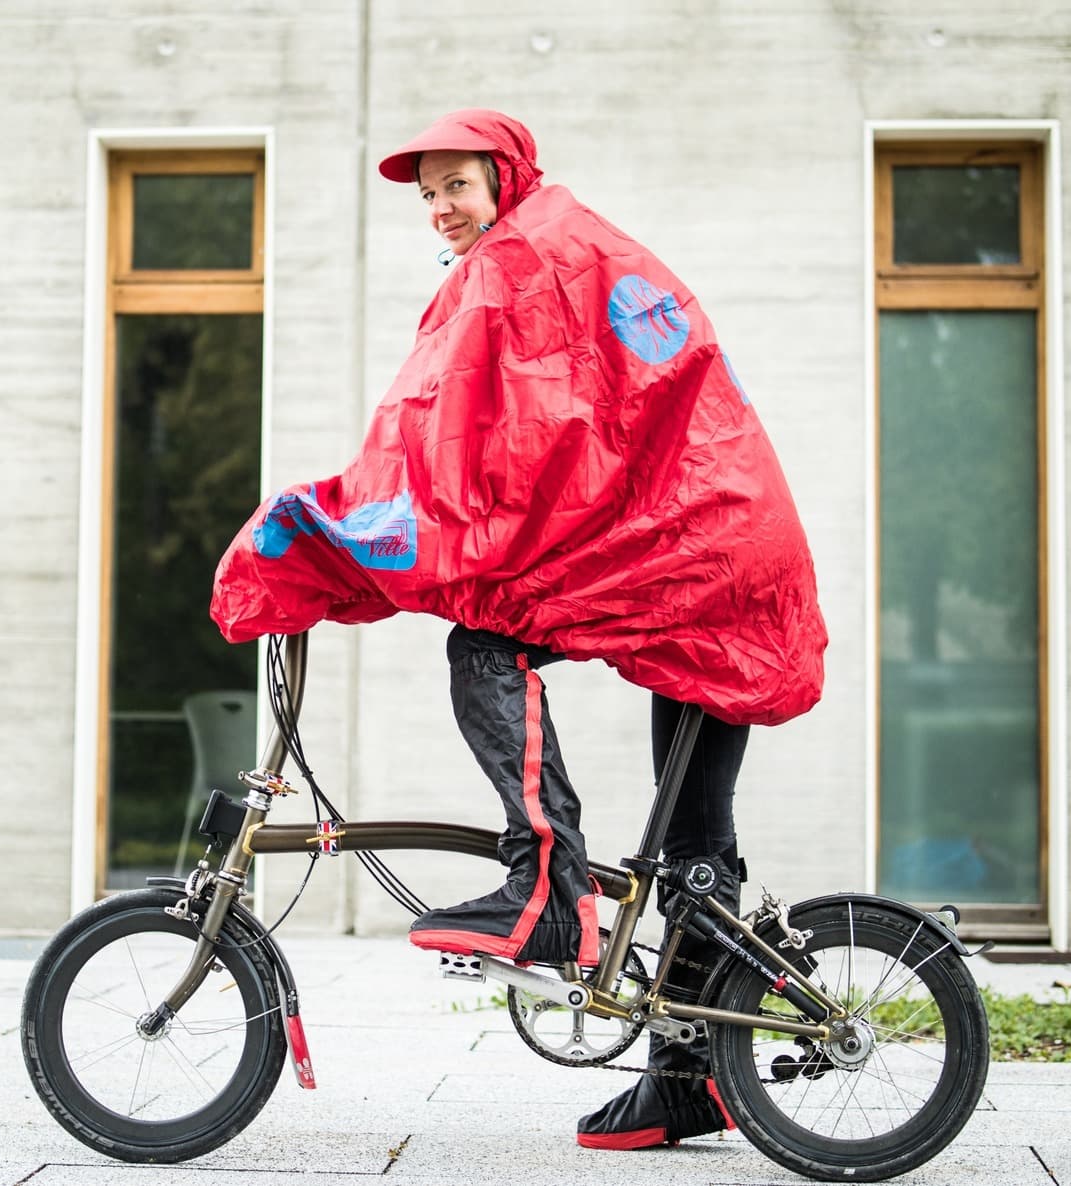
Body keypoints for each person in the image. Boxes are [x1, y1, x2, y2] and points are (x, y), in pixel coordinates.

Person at [211, 109, 827, 1150]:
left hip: (693, 548)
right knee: (692, 848)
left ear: (503, 175)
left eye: (455, 183)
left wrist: (335, 524)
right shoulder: (549, 243)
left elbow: (468, 440)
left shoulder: (525, 259)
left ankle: (547, 886)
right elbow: (507, 433)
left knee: (484, 644)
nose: (442, 208)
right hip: (707, 544)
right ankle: (685, 1075)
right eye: (427, 194)